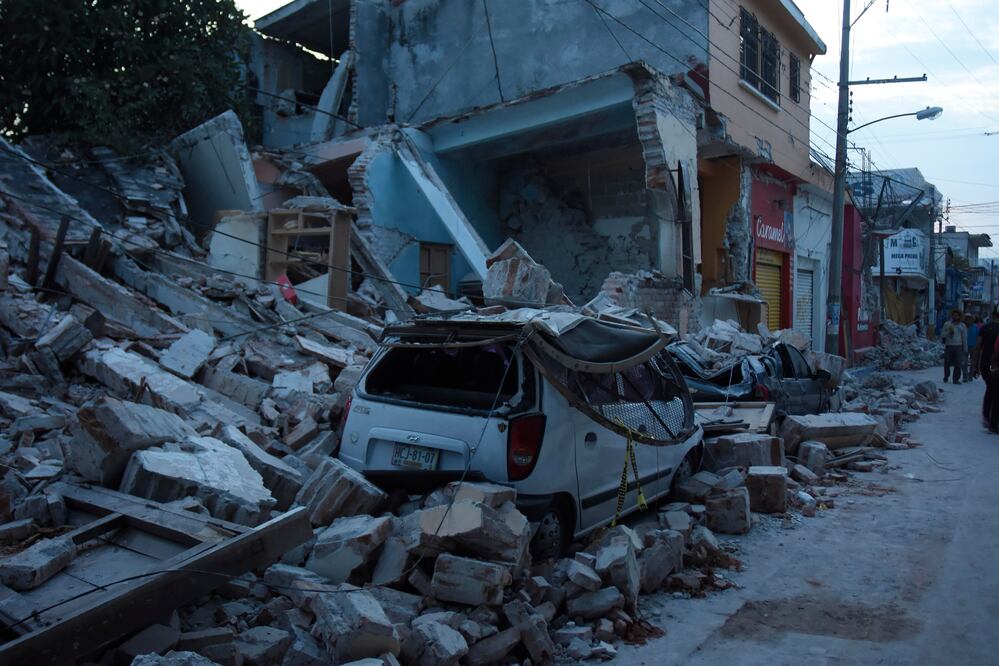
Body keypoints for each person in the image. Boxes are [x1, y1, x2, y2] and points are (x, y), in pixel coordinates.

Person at [974, 307, 999, 425]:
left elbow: (977, 348)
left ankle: (986, 416)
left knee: (990, 389)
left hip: (985, 364)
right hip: (995, 365)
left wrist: (974, 366)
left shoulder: (985, 328)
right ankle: (993, 421)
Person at [941, 309, 967, 384]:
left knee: (958, 364)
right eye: (954, 315)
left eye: (957, 315)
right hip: (949, 346)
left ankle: (956, 379)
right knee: (947, 363)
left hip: (959, 346)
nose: (955, 317)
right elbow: (942, 335)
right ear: (952, 316)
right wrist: (949, 331)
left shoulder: (962, 325)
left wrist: (965, 348)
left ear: (959, 316)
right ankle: (946, 376)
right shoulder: (947, 324)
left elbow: (964, 337)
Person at [965, 314, 981, 379]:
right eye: (967, 319)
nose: (968, 320)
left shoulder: (976, 327)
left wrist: (977, 346)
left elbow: (978, 337)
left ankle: (970, 374)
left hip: (974, 346)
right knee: (964, 361)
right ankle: (965, 374)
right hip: (965, 346)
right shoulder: (963, 326)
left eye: (970, 319)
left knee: (972, 361)